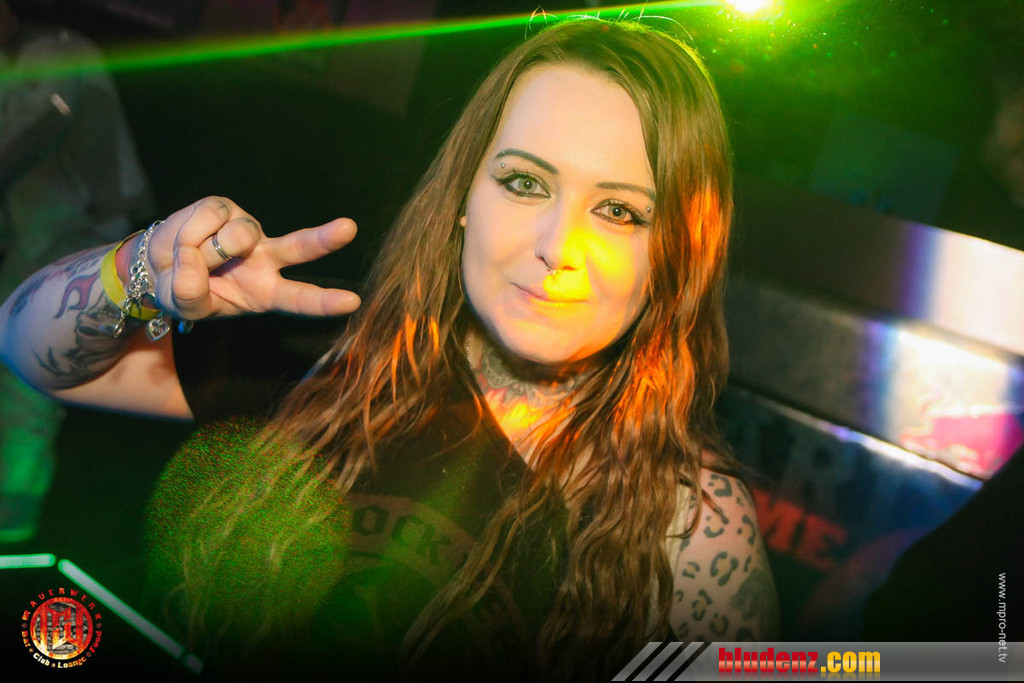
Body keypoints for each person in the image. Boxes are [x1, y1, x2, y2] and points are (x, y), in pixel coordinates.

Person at [0, 17, 778, 680]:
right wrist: (141, 269)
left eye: (619, 211)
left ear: (673, 252)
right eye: (525, 183)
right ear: (465, 197)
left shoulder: (691, 525)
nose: (558, 246)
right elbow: (27, 347)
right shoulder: (345, 355)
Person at [0, 0, 153, 542]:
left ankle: (13, 523)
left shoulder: (60, 53)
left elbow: (27, 138)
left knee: (27, 374)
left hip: (87, 242)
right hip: (40, 240)